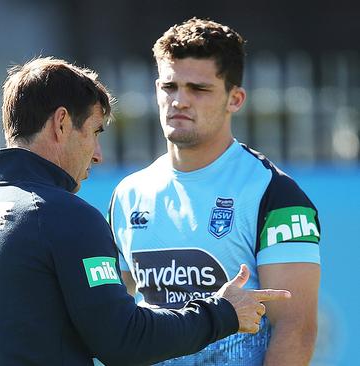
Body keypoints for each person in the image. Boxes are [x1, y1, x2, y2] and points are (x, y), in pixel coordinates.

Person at [0, 56, 290, 365]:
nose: (98, 153)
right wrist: (223, 313)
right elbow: (125, 340)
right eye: (95, 131)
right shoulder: (62, 215)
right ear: (61, 123)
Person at [109, 18, 320, 366]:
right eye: (169, 86)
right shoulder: (129, 193)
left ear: (235, 99)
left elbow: (296, 328)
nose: (179, 101)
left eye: (199, 89)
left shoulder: (275, 194)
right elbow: (118, 313)